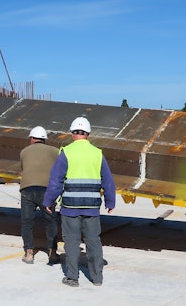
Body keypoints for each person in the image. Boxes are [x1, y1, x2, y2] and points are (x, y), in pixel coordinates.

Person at [43, 116, 116, 288]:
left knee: (72, 243)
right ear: (88, 134)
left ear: (72, 133)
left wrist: (49, 200)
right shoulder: (97, 153)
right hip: (91, 208)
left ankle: (72, 278)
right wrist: (110, 202)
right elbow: (108, 181)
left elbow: (56, 181)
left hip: (70, 207)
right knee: (93, 241)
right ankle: (97, 278)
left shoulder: (66, 152)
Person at [19, 125, 59, 264]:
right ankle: (52, 253)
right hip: (47, 191)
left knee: (27, 222)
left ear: (32, 139)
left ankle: (29, 253)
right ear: (44, 140)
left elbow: (23, 168)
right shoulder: (55, 151)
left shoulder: (24, 151)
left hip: (27, 189)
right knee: (50, 221)